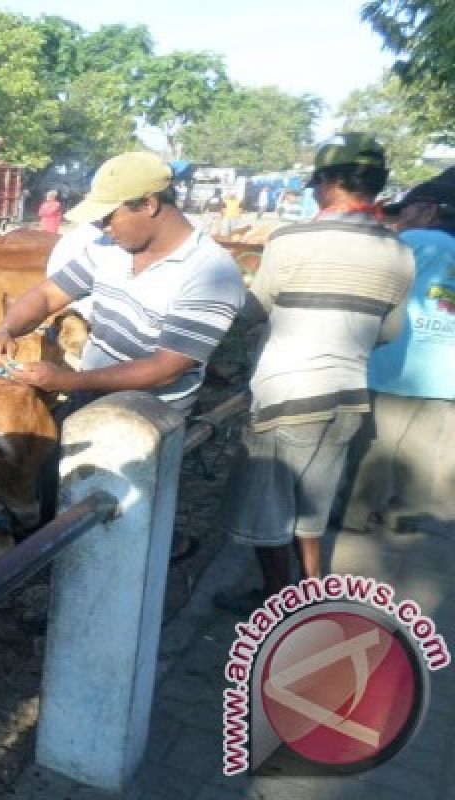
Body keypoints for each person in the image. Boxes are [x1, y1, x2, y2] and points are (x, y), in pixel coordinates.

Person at [0, 151, 245, 531]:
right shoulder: (107, 249)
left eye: (109, 216)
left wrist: (67, 380)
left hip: (145, 420)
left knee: (122, 521)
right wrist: (6, 329)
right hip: (87, 398)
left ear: (150, 204)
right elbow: (47, 295)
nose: (102, 225)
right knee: (57, 493)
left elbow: (166, 368)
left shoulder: (210, 272)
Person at [213, 133, 415, 615]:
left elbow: (255, 311)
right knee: (310, 512)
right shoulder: (399, 253)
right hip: (348, 395)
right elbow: (388, 332)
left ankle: (281, 606)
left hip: (288, 392)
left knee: (267, 512)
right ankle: (310, 592)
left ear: (326, 184)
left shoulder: (290, 240)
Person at [340, 179, 455, 535]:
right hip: (445, 371)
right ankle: (404, 516)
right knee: (421, 451)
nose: (399, 220)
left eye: (404, 210)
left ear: (428, 209)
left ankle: (354, 516)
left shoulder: (412, 243)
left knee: (374, 447)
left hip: (398, 365)